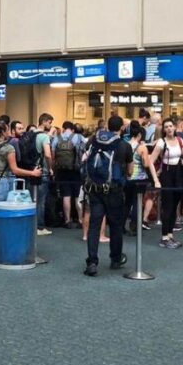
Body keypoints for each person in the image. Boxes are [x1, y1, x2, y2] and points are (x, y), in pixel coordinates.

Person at [0, 121, 41, 262]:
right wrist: (33, 173)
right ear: (3, 131)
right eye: (7, 129)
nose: (10, 132)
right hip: (1, 183)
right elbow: (15, 170)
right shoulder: (8, 148)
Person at [81, 115, 133, 276]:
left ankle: (92, 262)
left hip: (94, 189)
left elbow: (84, 158)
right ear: (122, 128)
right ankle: (115, 258)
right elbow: (130, 170)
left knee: (95, 226)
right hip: (114, 190)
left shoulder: (94, 140)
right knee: (116, 225)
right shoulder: (124, 145)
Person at [149, 118, 183, 249]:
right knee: (167, 207)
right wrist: (156, 180)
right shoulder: (161, 142)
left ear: (175, 127)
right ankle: (164, 237)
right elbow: (150, 161)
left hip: (178, 175)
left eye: (171, 126)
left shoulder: (180, 140)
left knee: (175, 206)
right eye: (166, 127)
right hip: (167, 175)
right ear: (163, 129)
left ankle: (170, 235)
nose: (169, 129)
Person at [124, 121, 161, 235]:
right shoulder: (142, 147)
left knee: (127, 202)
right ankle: (134, 227)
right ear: (140, 135)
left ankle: (121, 226)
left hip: (128, 178)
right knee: (137, 203)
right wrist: (149, 157)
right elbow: (146, 164)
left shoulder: (125, 145)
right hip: (139, 178)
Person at [52, 121, 86, 229]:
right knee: (77, 196)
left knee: (66, 196)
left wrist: (53, 169)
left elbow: (53, 156)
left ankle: (67, 220)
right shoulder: (78, 137)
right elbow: (84, 152)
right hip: (75, 170)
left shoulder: (57, 138)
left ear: (63, 128)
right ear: (72, 129)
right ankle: (80, 220)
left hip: (62, 170)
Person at [35, 113, 55, 235]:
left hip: (32, 170)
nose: (50, 125)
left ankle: (32, 225)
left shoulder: (31, 134)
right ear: (44, 122)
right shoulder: (44, 137)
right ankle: (40, 227)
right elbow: (47, 154)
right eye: (49, 122)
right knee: (41, 201)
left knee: (33, 199)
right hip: (42, 171)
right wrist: (50, 167)